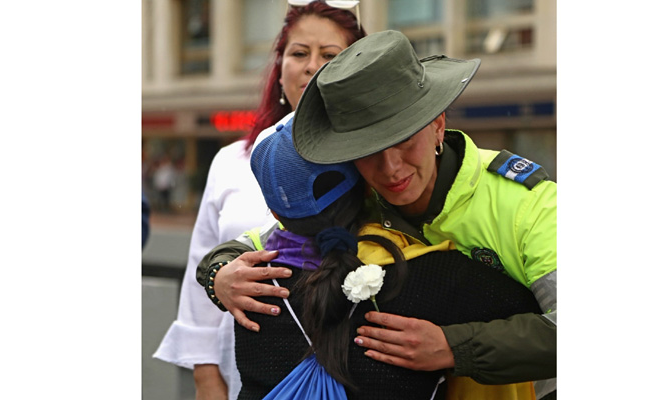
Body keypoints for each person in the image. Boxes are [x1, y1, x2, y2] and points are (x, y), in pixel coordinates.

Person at [198, 30, 557, 399]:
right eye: (368, 150)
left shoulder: (529, 204)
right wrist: (218, 274)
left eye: (404, 141)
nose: (390, 170)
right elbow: (270, 237)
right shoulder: (360, 194)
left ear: (438, 124)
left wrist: (453, 346)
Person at [152, 2, 366, 399]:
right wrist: (205, 374)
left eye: (330, 56)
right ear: (280, 64)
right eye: (299, 53)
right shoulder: (232, 160)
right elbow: (200, 267)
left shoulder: (371, 162)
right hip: (241, 366)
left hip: (348, 371)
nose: (310, 66)